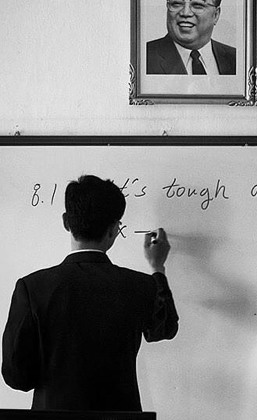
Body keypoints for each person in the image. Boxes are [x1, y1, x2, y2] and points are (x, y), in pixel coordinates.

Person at [2, 175, 179, 411]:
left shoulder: (32, 287)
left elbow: (16, 377)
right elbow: (165, 329)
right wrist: (158, 269)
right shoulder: (140, 285)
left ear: (66, 222)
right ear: (114, 229)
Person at [147, 0, 236, 75]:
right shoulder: (144, 57)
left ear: (216, 15)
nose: (185, 13)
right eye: (176, 3)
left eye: (197, 5)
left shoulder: (236, 58)